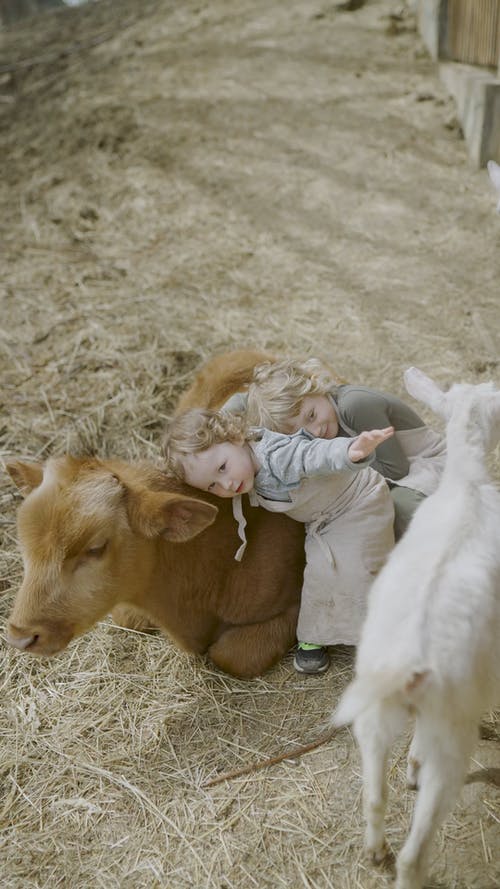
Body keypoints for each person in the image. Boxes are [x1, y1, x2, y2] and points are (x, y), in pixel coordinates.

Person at [163, 408, 395, 674]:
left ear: (236, 437)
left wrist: (348, 451)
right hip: (324, 520)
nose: (226, 484)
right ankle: (313, 636)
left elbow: (310, 455)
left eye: (222, 468)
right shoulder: (242, 469)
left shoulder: (276, 455)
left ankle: (383, 630)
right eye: (212, 486)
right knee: (317, 573)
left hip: (357, 502)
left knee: (357, 569)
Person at [226, 357, 447, 541]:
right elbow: (242, 401)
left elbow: (396, 469)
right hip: (383, 476)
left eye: (311, 415)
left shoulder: (354, 405)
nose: (315, 431)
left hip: (421, 463)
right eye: (301, 433)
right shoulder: (317, 414)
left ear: (314, 384)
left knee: (400, 508)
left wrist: (338, 468)